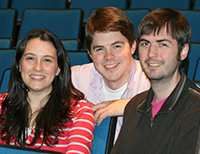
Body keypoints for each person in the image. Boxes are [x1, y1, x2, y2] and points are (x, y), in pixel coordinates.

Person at [111, 8, 200, 154]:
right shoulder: (133, 106)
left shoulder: (196, 110)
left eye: (162, 44)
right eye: (145, 43)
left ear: (182, 51)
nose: (151, 53)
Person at [0, 29, 95, 154]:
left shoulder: (79, 112)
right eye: (30, 58)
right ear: (19, 65)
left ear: (58, 69)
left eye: (47, 60)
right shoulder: (1, 104)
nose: (38, 67)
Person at [71, 7, 150, 141]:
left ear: (132, 46)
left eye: (117, 46)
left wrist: (132, 105)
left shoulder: (150, 79)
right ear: (90, 54)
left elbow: (191, 103)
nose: (109, 57)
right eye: (100, 49)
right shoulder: (75, 78)